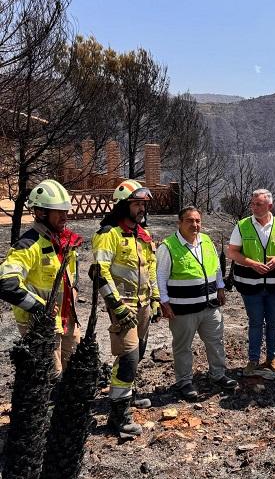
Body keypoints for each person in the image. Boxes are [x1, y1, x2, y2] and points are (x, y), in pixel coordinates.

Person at [91, 179, 160, 437]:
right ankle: (118, 417)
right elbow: (99, 273)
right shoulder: (109, 234)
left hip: (143, 304)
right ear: (123, 205)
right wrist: (116, 306)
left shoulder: (143, 235)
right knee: (128, 358)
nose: (142, 209)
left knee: (138, 353)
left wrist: (155, 298)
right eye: (137, 204)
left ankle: (127, 396)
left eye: (144, 204)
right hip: (123, 305)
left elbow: (150, 267)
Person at [0, 179, 82, 378]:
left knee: (72, 373)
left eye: (66, 211)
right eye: (59, 211)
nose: (65, 216)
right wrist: (39, 306)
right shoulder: (28, 244)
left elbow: (73, 273)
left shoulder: (64, 242)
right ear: (40, 212)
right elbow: (6, 283)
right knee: (49, 377)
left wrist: (75, 289)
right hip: (39, 324)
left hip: (67, 321)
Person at [157, 206, 237, 400]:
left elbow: (216, 267)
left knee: (215, 341)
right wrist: (164, 302)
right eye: (189, 221)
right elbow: (160, 276)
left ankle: (218, 375)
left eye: (197, 221)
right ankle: (184, 381)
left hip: (210, 306)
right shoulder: (168, 246)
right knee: (183, 346)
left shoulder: (206, 241)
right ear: (180, 223)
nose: (194, 225)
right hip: (183, 309)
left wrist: (220, 287)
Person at [227, 189, 275, 379]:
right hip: (250, 285)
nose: (254, 207)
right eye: (253, 203)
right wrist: (251, 263)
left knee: (274, 323)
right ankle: (253, 360)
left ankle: (273, 358)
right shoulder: (242, 226)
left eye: (259, 204)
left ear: (269, 206)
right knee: (255, 323)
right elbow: (232, 252)